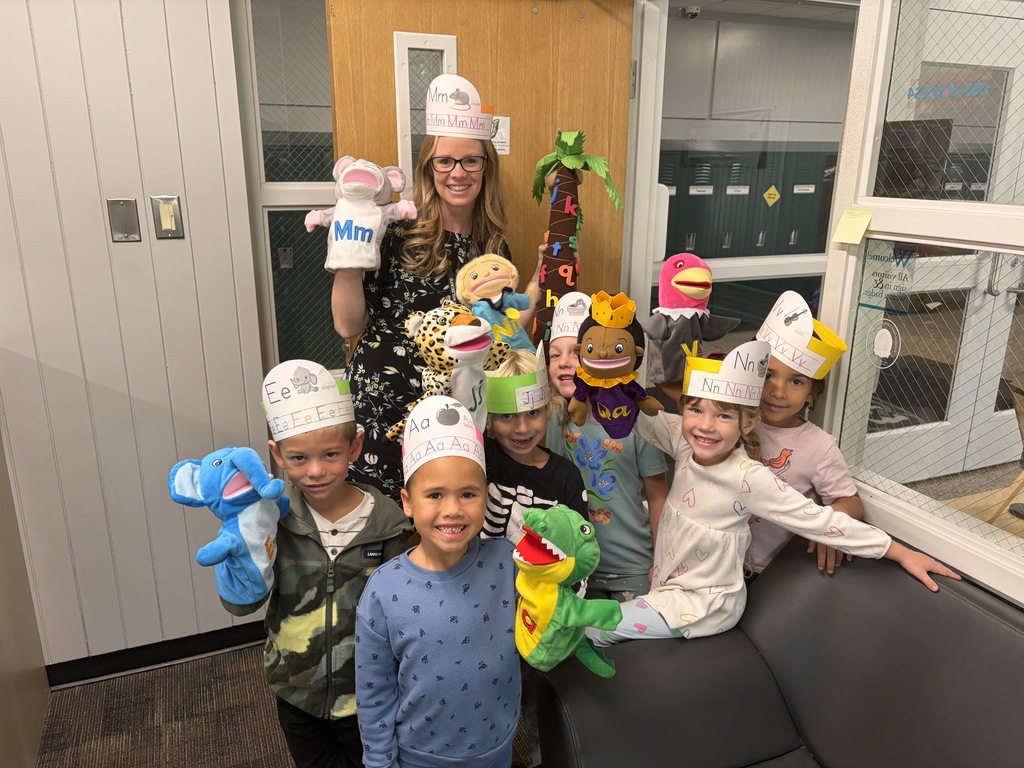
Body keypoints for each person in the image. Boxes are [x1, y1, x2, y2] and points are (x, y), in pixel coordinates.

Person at [588, 341, 960, 647]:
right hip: (669, 584)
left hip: (705, 604)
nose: (704, 425)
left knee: (594, 628)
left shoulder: (750, 478)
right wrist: (593, 376)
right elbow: (632, 414)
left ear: (749, 423)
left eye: (723, 416)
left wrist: (899, 552)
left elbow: (821, 520)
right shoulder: (684, 443)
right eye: (696, 410)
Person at [332, 74, 523, 500]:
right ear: (427, 167)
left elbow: (503, 334)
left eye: (471, 161)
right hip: (385, 407)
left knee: (447, 528)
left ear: (486, 167)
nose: (458, 173)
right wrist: (346, 254)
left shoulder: (494, 247)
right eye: (445, 162)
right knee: (385, 532)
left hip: (455, 413)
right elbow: (348, 326)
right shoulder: (397, 229)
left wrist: (542, 274)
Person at [221, 360, 412, 768]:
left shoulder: (388, 524)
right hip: (295, 691)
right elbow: (241, 606)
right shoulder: (272, 519)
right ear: (276, 455)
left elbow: (404, 613)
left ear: (355, 447)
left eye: (330, 454)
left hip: (369, 696)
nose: (315, 471)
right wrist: (238, 562)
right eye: (298, 458)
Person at [355, 396, 520, 768]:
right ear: (407, 502)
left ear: (486, 495)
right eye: (434, 495)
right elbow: (374, 693)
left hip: (498, 748)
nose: (453, 510)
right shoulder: (384, 592)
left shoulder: (507, 563)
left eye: (468, 494)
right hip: (420, 758)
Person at [546, 292, 670, 602]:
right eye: (553, 354)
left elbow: (658, 496)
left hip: (634, 566)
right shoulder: (552, 422)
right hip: (575, 567)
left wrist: (664, 560)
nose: (563, 362)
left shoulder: (638, 422)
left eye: (574, 352)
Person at [750, 290, 862, 576]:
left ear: (812, 394)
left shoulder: (818, 446)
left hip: (772, 572)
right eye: (768, 375)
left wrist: (830, 525)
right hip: (716, 560)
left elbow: (850, 501)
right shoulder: (732, 422)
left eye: (796, 381)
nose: (778, 391)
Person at [479, 347, 589, 544]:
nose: (522, 428)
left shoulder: (566, 477)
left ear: (548, 409)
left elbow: (580, 548)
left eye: (532, 413)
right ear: (490, 419)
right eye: (507, 416)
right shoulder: (482, 457)